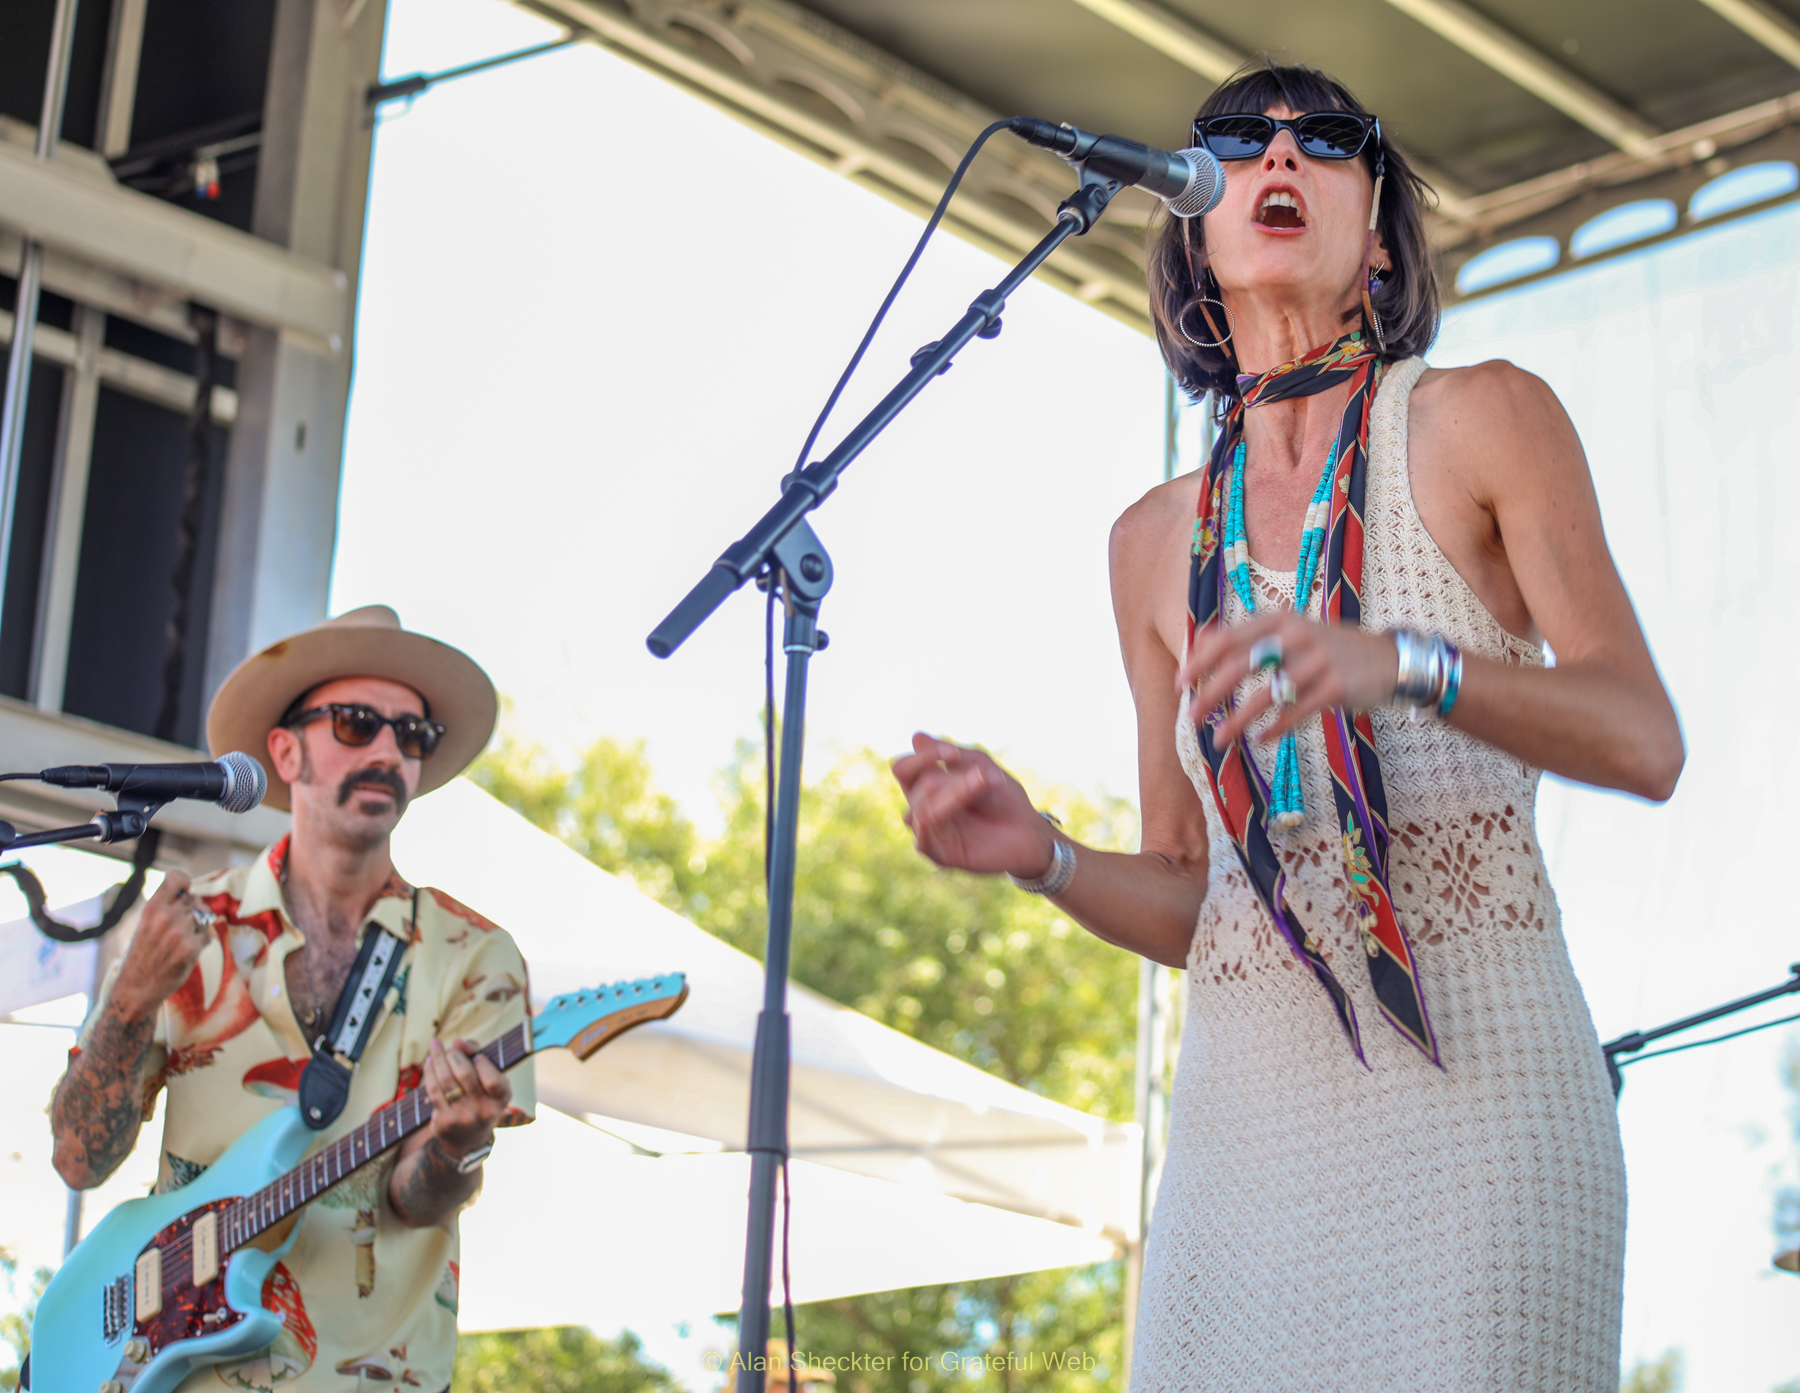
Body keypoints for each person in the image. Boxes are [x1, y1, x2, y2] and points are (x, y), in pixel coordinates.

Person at [892, 63, 1683, 1390]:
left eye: (1325, 138)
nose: (1278, 153)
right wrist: (1042, 854)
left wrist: (1402, 662)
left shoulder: (1480, 416)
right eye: (1237, 138)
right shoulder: (1150, 541)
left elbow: (1642, 737)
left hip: (1484, 1111)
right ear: (1194, 227)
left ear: (1378, 234)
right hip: (1242, 1146)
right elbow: (1190, 897)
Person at [49, 605, 532, 1391]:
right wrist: (131, 1003)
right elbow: (78, 1157)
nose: (387, 750)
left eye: (411, 735)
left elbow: (418, 1200)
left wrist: (458, 1143)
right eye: (355, 723)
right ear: (284, 749)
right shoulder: (184, 924)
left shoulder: (475, 955)